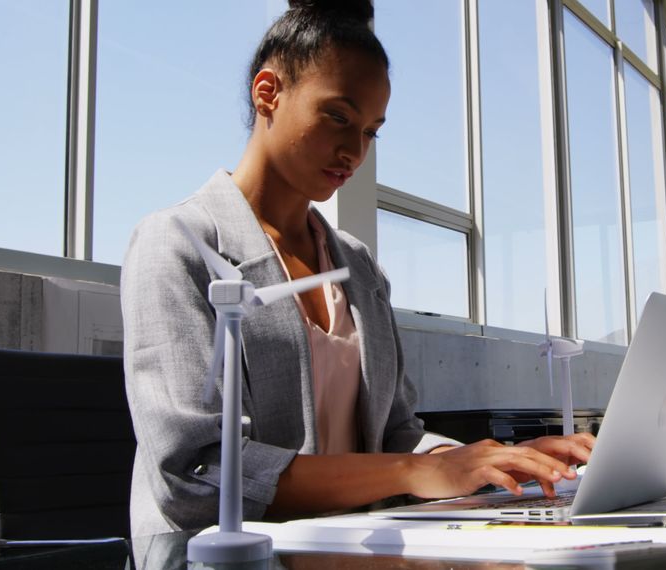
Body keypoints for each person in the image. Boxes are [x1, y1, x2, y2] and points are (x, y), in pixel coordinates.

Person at [121, 0, 594, 538]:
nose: (354, 151)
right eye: (338, 117)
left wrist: (493, 461)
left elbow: (395, 436)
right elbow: (194, 474)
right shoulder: (177, 243)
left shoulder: (357, 267)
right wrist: (415, 470)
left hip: (350, 546)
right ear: (267, 93)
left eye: (371, 131)